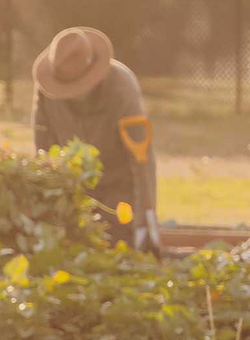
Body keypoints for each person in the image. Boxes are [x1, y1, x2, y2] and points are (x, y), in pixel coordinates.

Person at [32, 25, 160, 253]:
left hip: (119, 191)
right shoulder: (46, 91)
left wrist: (144, 224)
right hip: (73, 190)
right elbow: (43, 152)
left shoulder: (122, 87)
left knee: (119, 248)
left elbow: (141, 159)